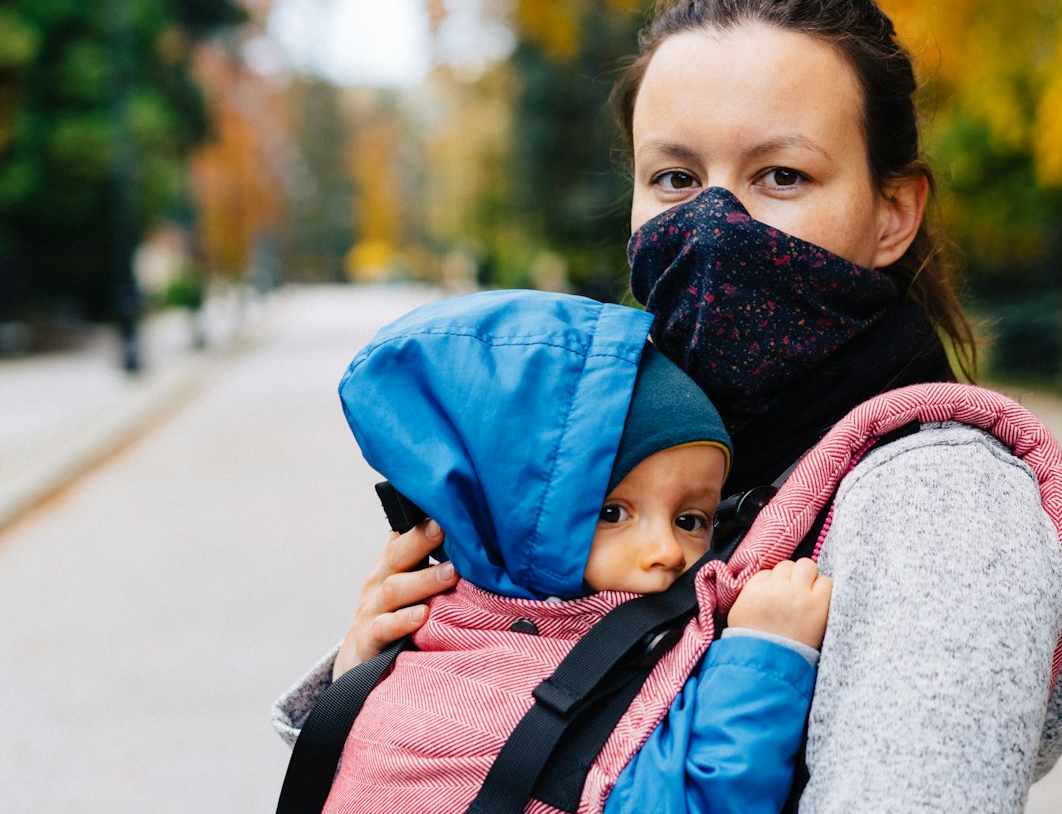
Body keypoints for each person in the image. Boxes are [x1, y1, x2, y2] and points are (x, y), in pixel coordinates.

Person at [276, 0, 1062, 811]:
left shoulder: (940, 504)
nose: (712, 225)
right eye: (675, 178)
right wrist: (393, 672)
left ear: (893, 211)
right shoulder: (627, 443)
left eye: (781, 175)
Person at [313, 289, 832, 813]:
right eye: (612, 513)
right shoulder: (452, 689)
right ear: (509, 519)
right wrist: (765, 655)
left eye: (690, 520)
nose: (667, 551)